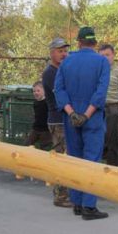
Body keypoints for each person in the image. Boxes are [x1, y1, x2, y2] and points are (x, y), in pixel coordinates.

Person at [54, 27, 110, 220]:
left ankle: (76, 202)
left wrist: (71, 113)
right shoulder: (102, 62)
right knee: (91, 162)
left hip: (71, 118)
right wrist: (86, 115)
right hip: (92, 118)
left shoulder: (66, 62)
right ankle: (89, 206)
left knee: (74, 160)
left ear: (78, 42)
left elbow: (59, 90)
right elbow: (101, 92)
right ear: (94, 42)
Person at [41, 37, 72, 208]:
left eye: (65, 51)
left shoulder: (61, 70)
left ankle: (65, 192)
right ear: (52, 53)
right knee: (62, 157)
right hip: (57, 120)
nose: (64, 54)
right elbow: (61, 96)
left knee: (66, 156)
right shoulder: (50, 73)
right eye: (60, 51)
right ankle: (61, 195)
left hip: (63, 119)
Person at [98, 44, 118, 166]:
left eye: (107, 55)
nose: (105, 58)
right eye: (102, 56)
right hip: (98, 108)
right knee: (98, 141)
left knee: (112, 143)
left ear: (113, 55)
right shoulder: (97, 72)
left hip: (114, 109)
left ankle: (114, 168)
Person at [25, 81, 52, 149]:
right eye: (34, 91)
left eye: (38, 91)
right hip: (36, 129)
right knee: (27, 144)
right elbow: (36, 115)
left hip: (46, 130)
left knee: (44, 148)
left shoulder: (48, 102)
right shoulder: (35, 102)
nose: (36, 93)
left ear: (44, 91)